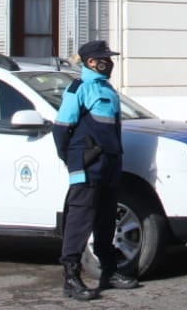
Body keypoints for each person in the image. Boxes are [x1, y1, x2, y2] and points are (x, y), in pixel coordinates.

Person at [52, 39, 140, 301]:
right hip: (88, 166)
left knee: (105, 221)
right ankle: (71, 277)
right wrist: (74, 161)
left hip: (110, 165)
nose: (110, 62)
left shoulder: (107, 88)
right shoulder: (79, 88)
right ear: (92, 62)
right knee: (80, 222)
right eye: (105, 58)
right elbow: (60, 129)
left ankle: (109, 272)